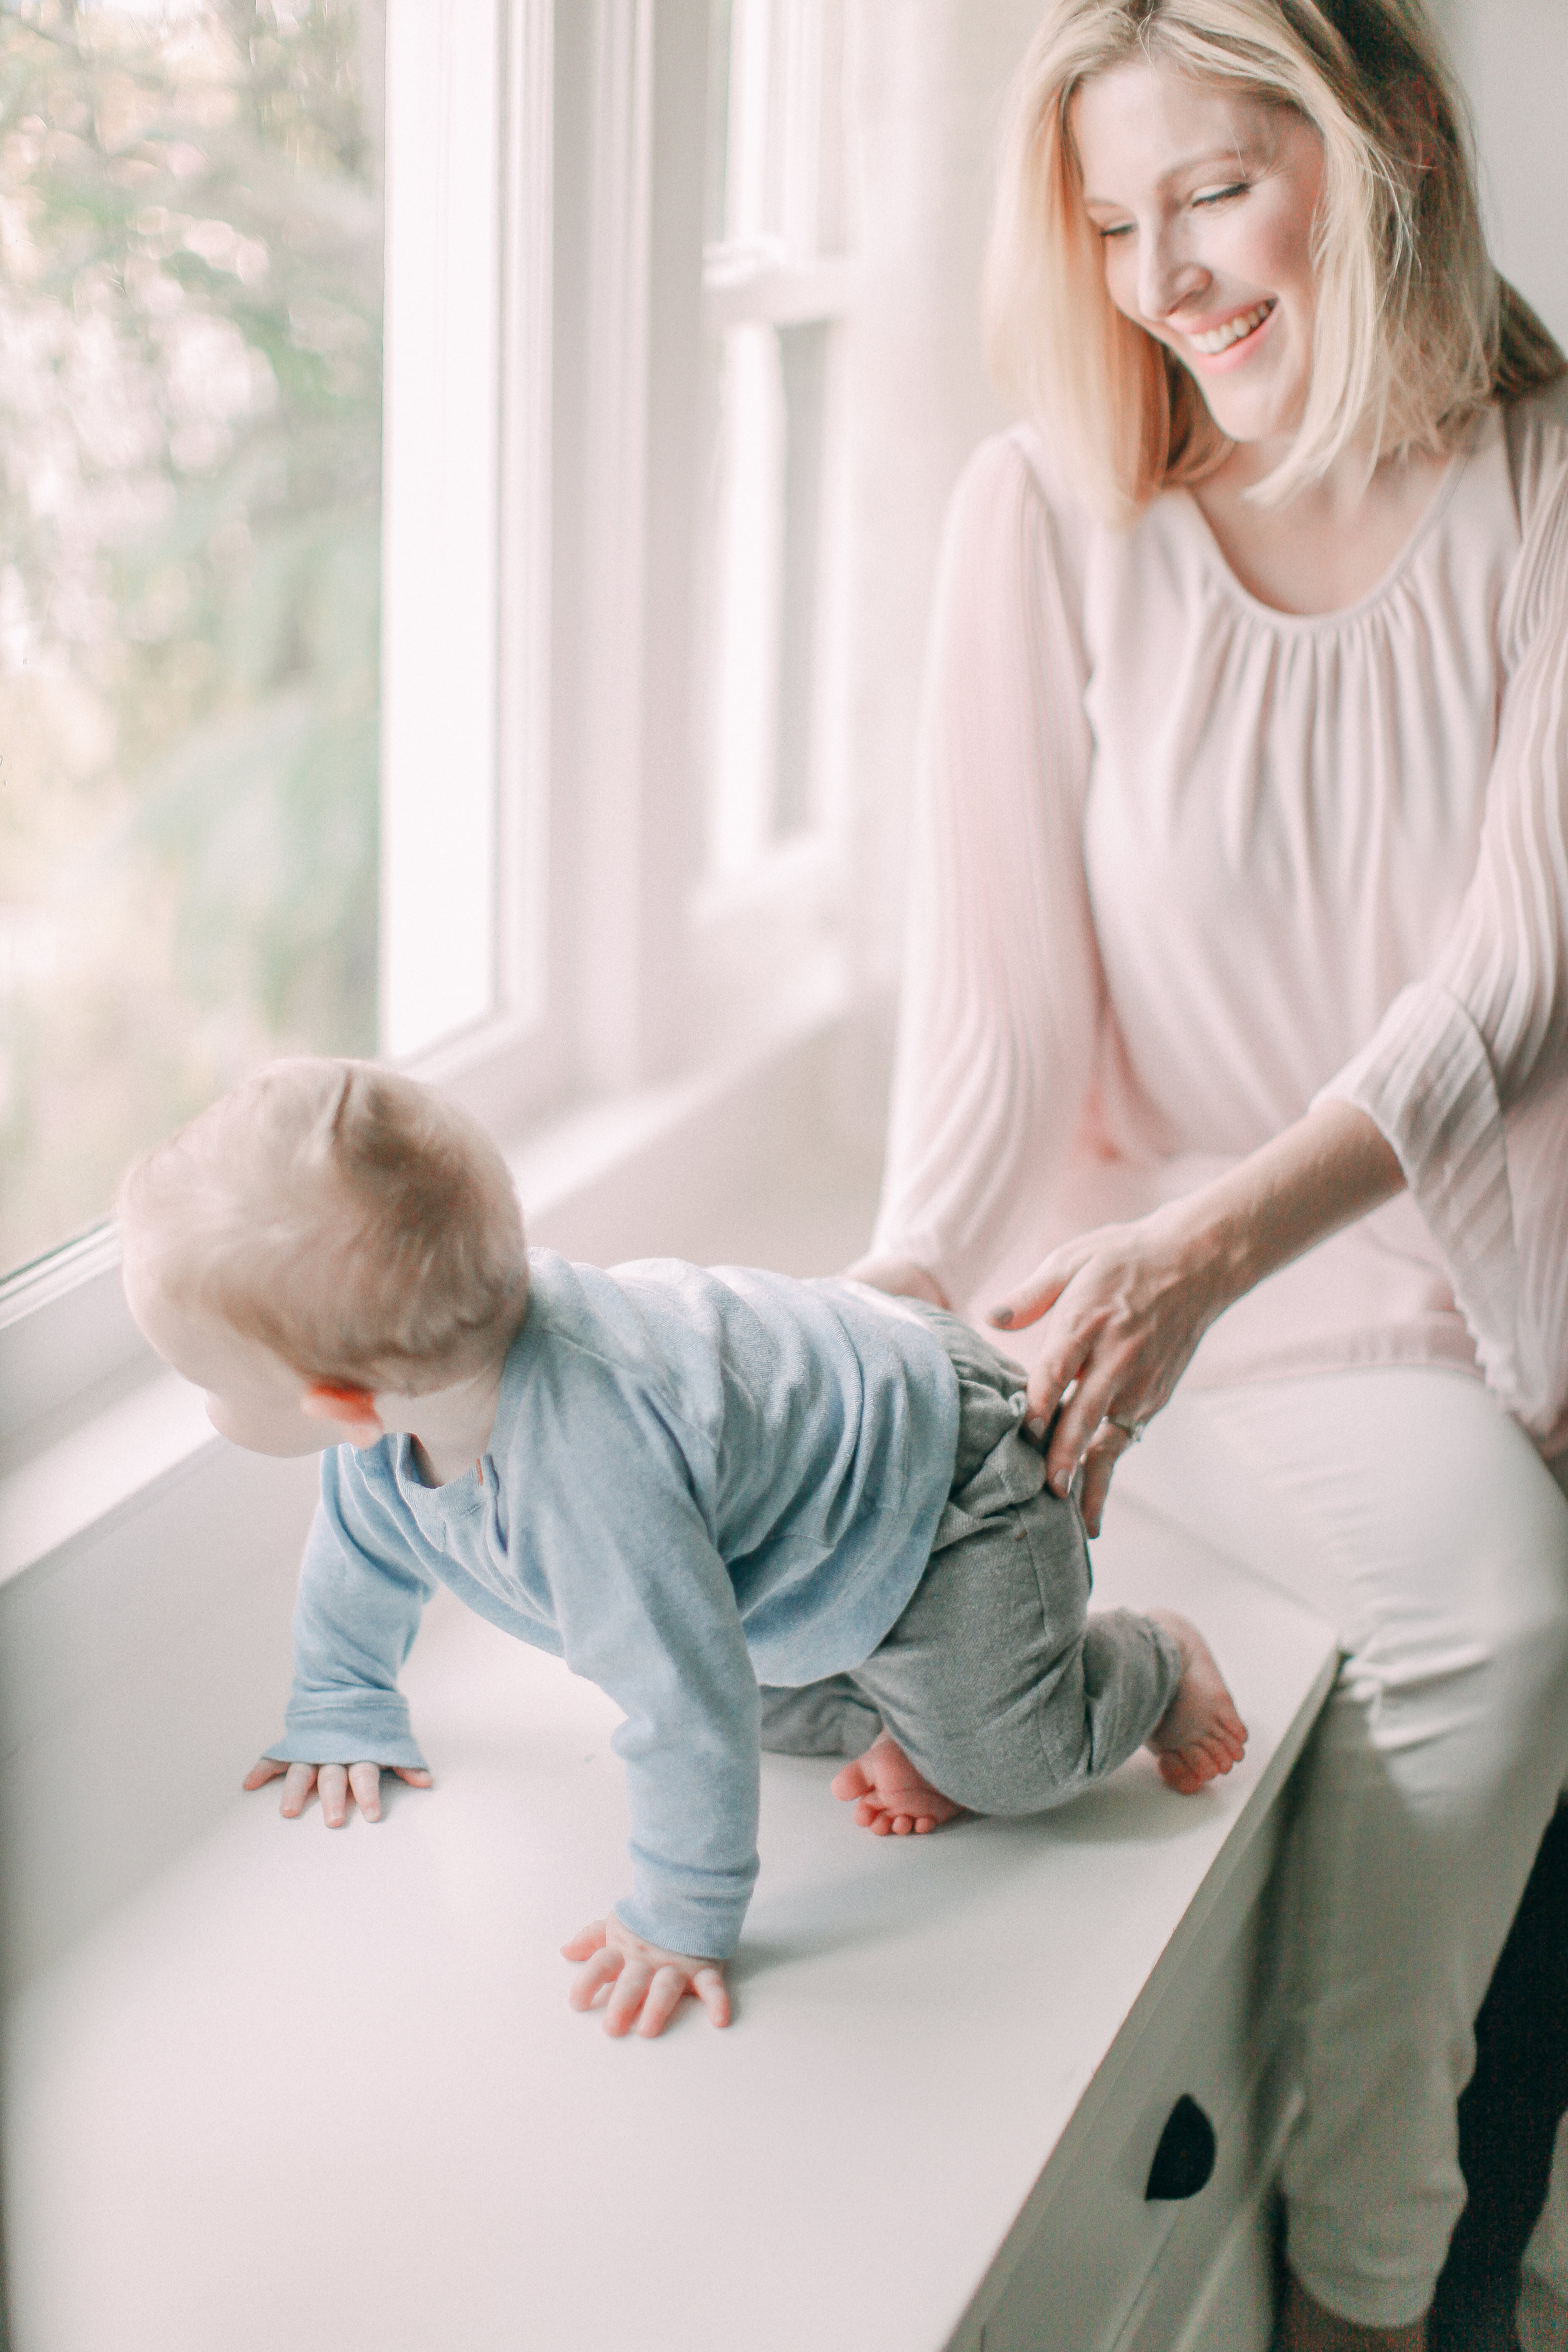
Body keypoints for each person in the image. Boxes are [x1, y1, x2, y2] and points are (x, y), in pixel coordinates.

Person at [845, 2, 1568, 2346]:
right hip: (1181, 1290)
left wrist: (1212, 1247)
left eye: (1217, 191)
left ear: (1391, 152)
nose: (1165, 275)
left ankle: (1421, 2268)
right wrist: (902, 1290)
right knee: (1481, 1631)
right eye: (1115, 220)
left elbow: (1513, 977)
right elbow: (1004, 1022)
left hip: (1451, 1286)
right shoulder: (1048, 518)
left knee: (1513, 1692)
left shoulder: (1548, 484)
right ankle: (1376, 2285)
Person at [115, 1057, 1247, 2042]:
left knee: (1011, 1760)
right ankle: (922, 1713)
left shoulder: (590, 1477)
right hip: (806, 1544)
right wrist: (342, 1695)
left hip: (951, 1495)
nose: (202, 1406)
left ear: (335, 1400)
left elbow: (680, 1704)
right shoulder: (399, 1420)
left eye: (206, 1383)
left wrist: (680, 1912)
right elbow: (360, 1557)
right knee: (759, 1699)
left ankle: (1143, 1664)